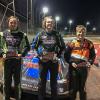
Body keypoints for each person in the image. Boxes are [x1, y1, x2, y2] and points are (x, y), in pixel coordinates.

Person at [31, 16, 66, 100]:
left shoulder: (57, 34)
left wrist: (57, 56)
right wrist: (38, 56)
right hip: (43, 62)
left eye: (51, 22)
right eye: (47, 22)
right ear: (45, 23)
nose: (49, 23)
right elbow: (33, 46)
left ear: (53, 24)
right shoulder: (40, 34)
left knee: (54, 83)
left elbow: (63, 47)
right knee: (41, 83)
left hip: (53, 62)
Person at [0, 16, 30, 100]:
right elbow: (0, 47)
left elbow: (27, 47)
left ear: (17, 23)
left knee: (17, 83)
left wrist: (22, 54)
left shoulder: (22, 35)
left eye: (15, 22)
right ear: (8, 23)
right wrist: (2, 54)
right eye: (11, 22)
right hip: (7, 62)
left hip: (17, 62)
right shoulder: (3, 34)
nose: (13, 24)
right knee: (6, 83)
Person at [64, 25, 96, 100]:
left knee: (82, 88)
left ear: (85, 33)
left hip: (84, 69)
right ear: (76, 33)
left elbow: (93, 56)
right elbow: (66, 55)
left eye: (83, 32)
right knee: (73, 89)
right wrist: (71, 62)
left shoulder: (89, 43)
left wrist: (90, 62)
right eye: (79, 32)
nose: (81, 34)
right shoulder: (71, 43)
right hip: (73, 69)